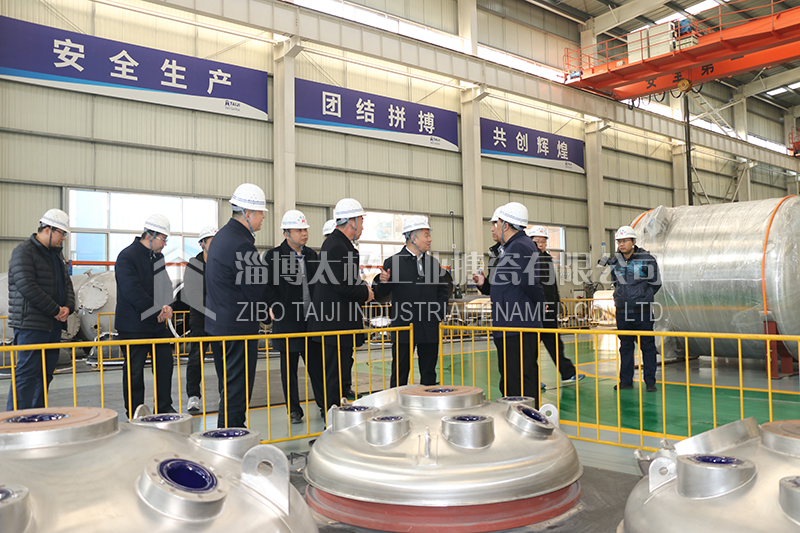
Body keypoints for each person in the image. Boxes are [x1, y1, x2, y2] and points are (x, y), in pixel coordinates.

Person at [205, 183, 269, 428]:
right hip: (237, 329)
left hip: (220, 326)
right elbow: (255, 288)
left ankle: (227, 432)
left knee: (228, 387)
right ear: (247, 213)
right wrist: (267, 312)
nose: (263, 217)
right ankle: (232, 436)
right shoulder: (242, 244)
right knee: (237, 390)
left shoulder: (222, 237)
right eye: (260, 212)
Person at [307, 198, 374, 410]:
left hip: (338, 325)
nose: (362, 227)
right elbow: (343, 285)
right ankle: (332, 420)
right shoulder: (337, 247)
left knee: (339, 375)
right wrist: (365, 292)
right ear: (351, 221)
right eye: (361, 221)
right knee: (334, 378)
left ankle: (336, 416)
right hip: (334, 325)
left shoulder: (339, 245)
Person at [6, 209, 75, 411]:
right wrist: (55, 310)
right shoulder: (24, 252)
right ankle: (16, 420)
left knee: (45, 374)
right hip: (31, 325)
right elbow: (27, 286)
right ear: (47, 229)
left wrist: (68, 308)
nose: (63, 238)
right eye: (61, 233)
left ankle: (37, 416)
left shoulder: (56, 256)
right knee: (27, 374)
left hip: (52, 325)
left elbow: (67, 284)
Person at [263, 210, 325, 424]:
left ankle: (324, 404)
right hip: (287, 320)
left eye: (305, 229)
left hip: (311, 320)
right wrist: (274, 306)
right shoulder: (273, 257)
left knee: (316, 367)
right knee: (288, 370)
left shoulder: (312, 256)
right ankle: (294, 410)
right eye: (299, 230)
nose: (304, 234)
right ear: (286, 233)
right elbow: (268, 287)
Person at [479, 202, 545, 403]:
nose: (493, 228)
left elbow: (531, 283)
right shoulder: (510, 248)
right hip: (510, 325)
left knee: (520, 379)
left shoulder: (519, 247)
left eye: (496, 223)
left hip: (518, 326)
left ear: (506, 225)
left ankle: (526, 416)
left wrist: (540, 305)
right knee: (512, 378)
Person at [373, 216, 448, 387]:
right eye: (426, 235)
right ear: (413, 237)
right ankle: (396, 401)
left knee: (429, 372)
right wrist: (383, 282)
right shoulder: (394, 262)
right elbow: (381, 294)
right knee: (400, 371)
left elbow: (442, 292)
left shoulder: (432, 263)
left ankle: (428, 400)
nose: (430, 239)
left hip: (429, 328)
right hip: (404, 327)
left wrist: (438, 315)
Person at [115, 214, 175, 418]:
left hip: (157, 325)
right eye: (163, 239)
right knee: (134, 370)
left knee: (165, 364)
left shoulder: (158, 257)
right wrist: (156, 310)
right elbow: (132, 291)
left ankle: (164, 406)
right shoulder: (127, 257)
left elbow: (165, 285)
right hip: (133, 326)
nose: (164, 244)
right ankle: (135, 411)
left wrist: (168, 305)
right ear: (150, 235)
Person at [605, 225, 662, 392]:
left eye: (625, 241)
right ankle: (626, 380)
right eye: (619, 241)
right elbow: (616, 282)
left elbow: (656, 283)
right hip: (623, 312)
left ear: (633, 242)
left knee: (647, 346)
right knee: (625, 346)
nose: (622, 244)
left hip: (642, 311)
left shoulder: (646, 259)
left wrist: (643, 296)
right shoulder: (615, 261)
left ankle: (650, 381)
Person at [527, 225, 584, 385]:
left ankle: (567, 373)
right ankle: (532, 380)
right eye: (537, 241)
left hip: (549, 310)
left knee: (554, 343)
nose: (540, 244)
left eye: (543, 241)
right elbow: (534, 285)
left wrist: (555, 305)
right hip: (536, 310)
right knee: (531, 348)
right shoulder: (530, 259)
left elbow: (551, 286)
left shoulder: (546, 258)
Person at [183, 226, 216, 414]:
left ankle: (225, 392)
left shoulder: (222, 264)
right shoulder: (193, 266)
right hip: (200, 319)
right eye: (211, 241)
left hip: (219, 320)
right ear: (202, 244)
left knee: (223, 358)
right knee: (196, 358)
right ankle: (193, 396)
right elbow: (192, 294)